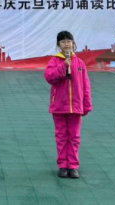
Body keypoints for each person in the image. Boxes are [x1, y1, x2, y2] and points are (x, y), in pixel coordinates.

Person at [44, 31, 92, 179]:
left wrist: (86, 105)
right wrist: (64, 66)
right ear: (58, 44)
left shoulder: (80, 63)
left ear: (73, 43)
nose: (66, 43)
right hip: (59, 106)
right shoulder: (55, 61)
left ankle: (73, 166)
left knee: (75, 137)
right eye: (63, 41)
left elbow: (86, 85)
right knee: (61, 136)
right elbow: (50, 77)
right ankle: (63, 165)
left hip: (76, 107)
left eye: (69, 41)